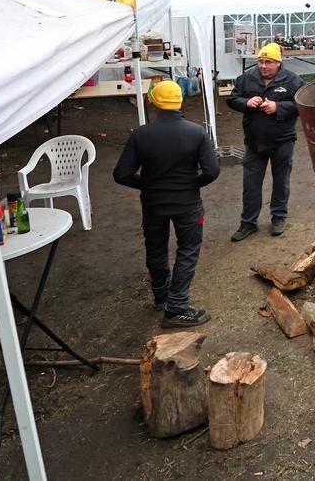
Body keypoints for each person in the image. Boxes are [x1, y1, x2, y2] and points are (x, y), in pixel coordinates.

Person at [113, 79, 220, 328]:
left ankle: (162, 296)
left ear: (153, 102)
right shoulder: (196, 132)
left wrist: (147, 185)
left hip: (153, 204)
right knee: (188, 249)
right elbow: (212, 171)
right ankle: (177, 308)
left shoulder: (141, 134)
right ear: (180, 101)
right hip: (187, 204)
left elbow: (121, 174)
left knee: (156, 249)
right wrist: (192, 184)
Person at [227, 42, 304, 241]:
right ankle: (248, 223)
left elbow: (302, 104)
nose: (263, 66)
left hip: (282, 140)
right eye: (260, 61)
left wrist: (278, 107)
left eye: (268, 62)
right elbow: (232, 98)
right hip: (254, 142)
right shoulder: (247, 78)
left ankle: (278, 217)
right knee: (250, 183)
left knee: (281, 181)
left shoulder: (293, 81)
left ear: (278, 63)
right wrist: (246, 103)